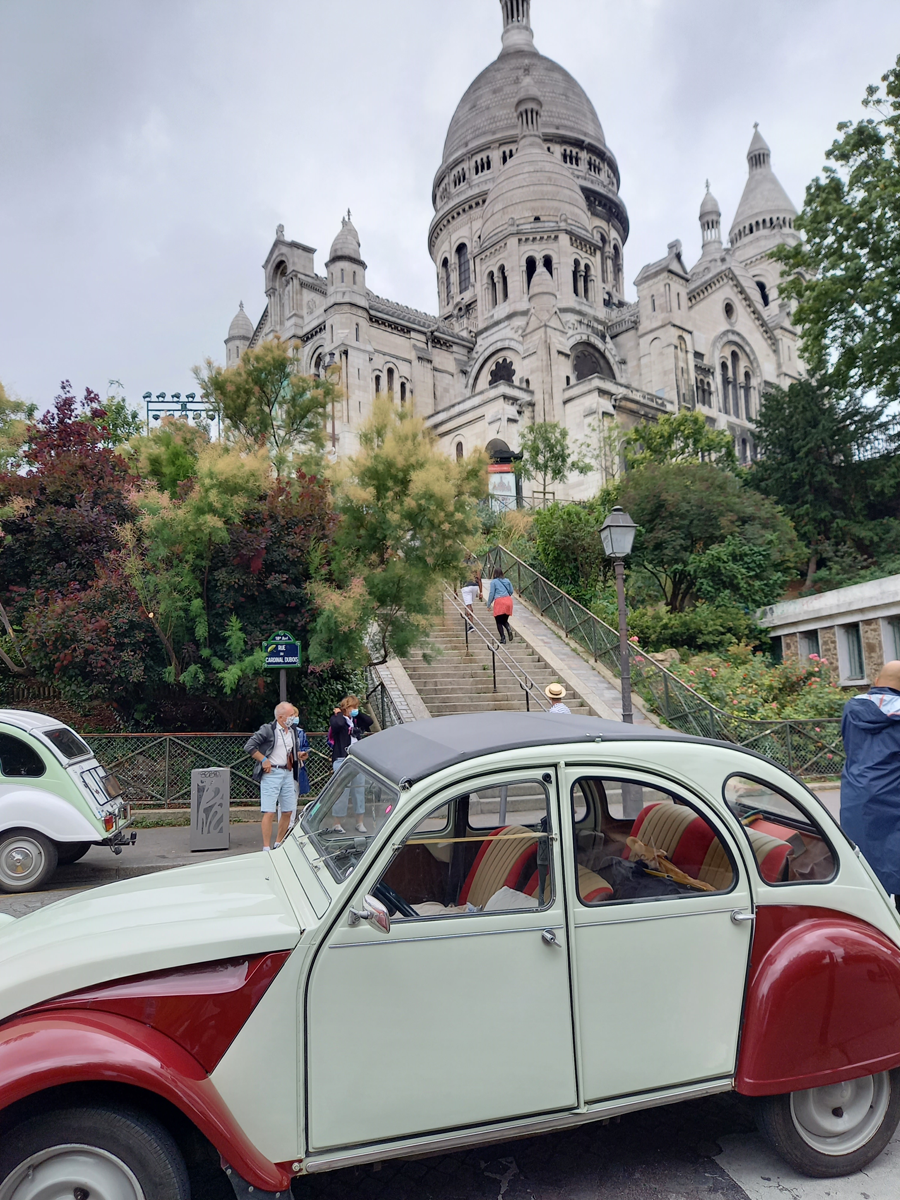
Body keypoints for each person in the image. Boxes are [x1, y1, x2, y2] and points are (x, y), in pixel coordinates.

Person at [840, 660, 900, 909]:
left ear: (877, 682)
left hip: (857, 795)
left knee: (863, 861)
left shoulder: (852, 708)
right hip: (893, 798)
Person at [245, 701, 309, 851]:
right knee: (269, 811)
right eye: (291, 715)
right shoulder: (268, 729)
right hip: (272, 773)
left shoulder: (292, 730)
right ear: (281, 717)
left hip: (287, 772)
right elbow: (249, 746)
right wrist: (263, 759)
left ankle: (279, 843)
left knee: (288, 810)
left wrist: (299, 755)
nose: (293, 718)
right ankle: (266, 846)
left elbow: (291, 750)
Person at [329, 695, 373, 833]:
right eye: (353, 707)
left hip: (357, 759)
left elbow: (369, 721)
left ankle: (359, 822)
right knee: (341, 792)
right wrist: (340, 714)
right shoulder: (337, 718)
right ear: (346, 707)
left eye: (357, 707)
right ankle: (337, 823)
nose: (355, 709)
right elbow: (339, 725)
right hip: (342, 759)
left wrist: (357, 713)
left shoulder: (356, 720)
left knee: (359, 791)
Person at [486, 567, 515, 644]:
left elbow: (492, 594)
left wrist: (488, 604)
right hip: (508, 601)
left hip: (500, 601)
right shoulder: (507, 580)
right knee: (504, 620)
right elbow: (511, 591)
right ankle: (508, 628)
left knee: (498, 621)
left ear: (494, 574)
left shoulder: (494, 582)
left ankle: (503, 638)